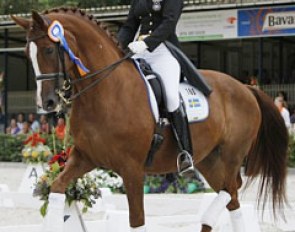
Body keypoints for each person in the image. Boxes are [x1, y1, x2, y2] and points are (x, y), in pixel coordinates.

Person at [117, 0, 195, 176]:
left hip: (163, 51)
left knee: (171, 96)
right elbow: (130, 26)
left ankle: (185, 153)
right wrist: (117, 46)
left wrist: (147, 43)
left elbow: (169, 23)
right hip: (138, 52)